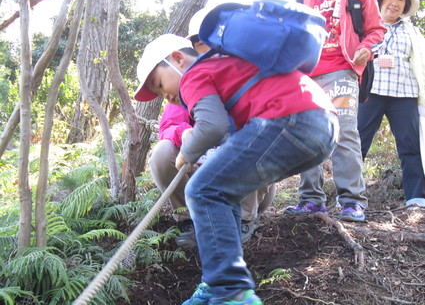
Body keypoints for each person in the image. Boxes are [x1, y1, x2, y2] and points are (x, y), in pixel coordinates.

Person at [134, 32, 338, 304]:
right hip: (320, 127)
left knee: (201, 189)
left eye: (159, 84)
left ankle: (231, 290)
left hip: (291, 120)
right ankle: (216, 282)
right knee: (220, 190)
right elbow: (226, 131)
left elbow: (211, 126)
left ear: (178, 59)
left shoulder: (194, 74)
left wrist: (186, 153)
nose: (165, 96)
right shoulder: (224, 67)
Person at [148, 9, 276, 249]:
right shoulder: (187, 87)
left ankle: (245, 219)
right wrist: (184, 134)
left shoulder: (248, 74)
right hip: (206, 177)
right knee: (163, 151)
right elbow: (169, 126)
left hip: (250, 181)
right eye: (201, 44)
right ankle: (190, 220)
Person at [285, 0, 386, 222]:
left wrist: (365, 48)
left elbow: (377, 29)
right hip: (306, 74)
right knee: (306, 134)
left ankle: (352, 201)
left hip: (343, 68)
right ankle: (311, 200)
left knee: (344, 130)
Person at [357, 0, 425, 208]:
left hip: (404, 94)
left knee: (410, 146)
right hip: (371, 91)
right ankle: (350, 197)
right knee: (358, 142)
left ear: (405, 5)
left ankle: (416, 198)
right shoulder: (367, 26)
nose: (395, 3)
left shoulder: (412, 31)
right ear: (380, 1)